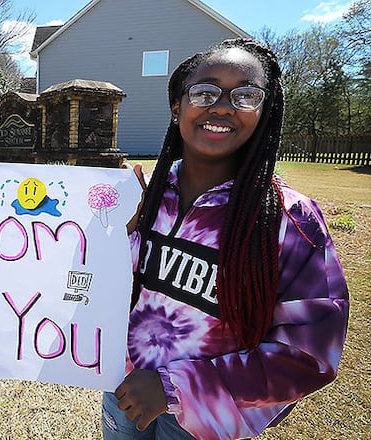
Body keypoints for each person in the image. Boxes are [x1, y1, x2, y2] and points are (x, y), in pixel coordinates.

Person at [103, 39, 349, 440]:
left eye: (245, 95)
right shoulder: (139, 193)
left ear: (264, 112)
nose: (221, 106)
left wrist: (172, 389)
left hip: (210, 418)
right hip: (122, 387)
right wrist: (114, 234)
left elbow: (309, 355)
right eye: (205, 91)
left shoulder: (289, 218)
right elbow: (89, 282)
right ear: (176, 106)